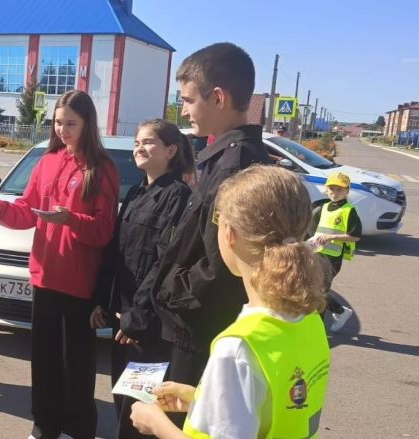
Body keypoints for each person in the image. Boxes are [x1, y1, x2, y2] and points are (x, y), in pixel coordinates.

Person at [116, 43, 272, 424]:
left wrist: (169, 292)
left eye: (187, 100)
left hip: (201, 329)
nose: (183, 110)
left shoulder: (239, 164)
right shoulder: (225, 157)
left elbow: (222, 263)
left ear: (217, 97)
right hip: (195, 324)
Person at [129, 165, 331, 439]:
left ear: (229, 234)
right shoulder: (309, 319)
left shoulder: (238, 349)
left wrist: (155, 423)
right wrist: (204, 401)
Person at [0, 90, 119, 439]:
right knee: (45, 360)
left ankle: (79, 428)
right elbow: (26, 212)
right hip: (44, 277)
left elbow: (103, 231)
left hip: (78, 282)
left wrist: (70, 220)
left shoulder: (102, 168)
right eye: (58, 122)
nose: (63, 130)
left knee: (75, 365)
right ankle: (45, 424)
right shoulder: (48, 161)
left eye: (71, 124)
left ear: (87, 124)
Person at [90, 120, 194, 439]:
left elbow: (164, 264)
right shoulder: (137, 191)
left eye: (148, 142)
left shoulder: (178, 196)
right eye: (137, 142)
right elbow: (117, 251)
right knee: (124, 402)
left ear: (171, 150)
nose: (139, 147)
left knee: (141, 412)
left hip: (147, 326)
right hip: (123, 318)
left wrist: (136, 316)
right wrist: (100, 300)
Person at [310, 171, 361, 332]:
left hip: (333, 258)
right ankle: (339, 311)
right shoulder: (324, 207)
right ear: (326, 189)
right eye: (331, 189)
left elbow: (355, 236)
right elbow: (315, 231)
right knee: (314, 289)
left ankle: (319, 327)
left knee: (320, 291)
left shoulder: (348, 210)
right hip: (318, 254)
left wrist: (332, 237)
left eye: (339, 190)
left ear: (347, 191)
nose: (335, 193)